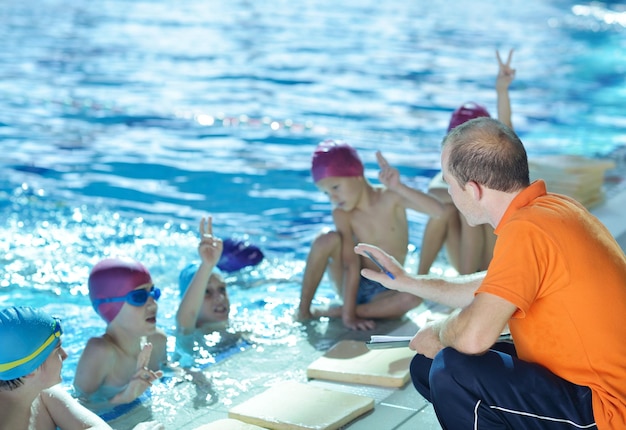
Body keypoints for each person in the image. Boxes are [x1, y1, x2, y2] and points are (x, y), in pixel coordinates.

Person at [355, 117, 626, 428]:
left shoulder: (526, 231)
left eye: (448, 182)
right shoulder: (554, 210)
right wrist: (408, 281)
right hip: (593, 386)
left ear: (473, 189)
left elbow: (474, 338)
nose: (450, 193)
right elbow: (487, 286)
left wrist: (441, 331)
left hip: (607, 410)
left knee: (452, 370)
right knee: (428, 364)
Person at [297, 139, 445, 330]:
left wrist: (399, 187)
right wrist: (349, 318)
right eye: (326, 193)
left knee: (413, 297)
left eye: (335, 188)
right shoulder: (342, 214)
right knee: (325, 240)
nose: (333, 198)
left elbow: (438, 211)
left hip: (385, 287)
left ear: (357, 175)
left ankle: (336, 311)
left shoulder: (391, 197)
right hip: (352, 282)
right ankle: (304, 311)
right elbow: (351, 264)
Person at [418, 49, 516, 275]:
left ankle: (466, 285)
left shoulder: (497, 170)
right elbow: (434, 191)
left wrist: (502, 91)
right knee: (450, 207)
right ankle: (418, 281)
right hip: (464, 260)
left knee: (473, 202)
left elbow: (508, 129)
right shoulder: (452, 173)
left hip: (494, 262)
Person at [0, 305, 163, 430]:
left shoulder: (44, 395)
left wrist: (124, 397)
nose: (65, 355)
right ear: (32, 369)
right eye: (57, 350)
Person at [74, 258, 167, 405]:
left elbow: (170, 372)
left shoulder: (157, 340)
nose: (153, 305)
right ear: (110, 306)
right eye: (139, 297)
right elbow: (73, 410)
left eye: (153, 293)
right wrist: (123, 398)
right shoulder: (100, 352)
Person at [176, 216, 230, 334]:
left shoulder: (240, 329)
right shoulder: (188, 334)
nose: (220, 298)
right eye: (207, 292)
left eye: (222, 289)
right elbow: (188, 315)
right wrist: (206, 265)